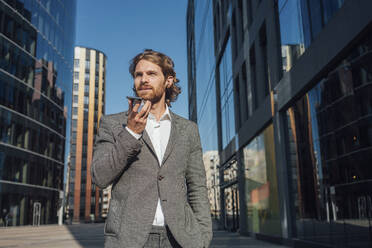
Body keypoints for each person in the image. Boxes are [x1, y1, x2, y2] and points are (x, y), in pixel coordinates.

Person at [92, 49, 212, 248]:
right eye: (138, 75)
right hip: (129, 239)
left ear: (168, 80)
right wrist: (131, 133)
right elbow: (100, 177)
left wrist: (203, 236)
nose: (143, 79)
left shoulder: (188, 130)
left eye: (151, 74)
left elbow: (197, 186)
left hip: (181, 238)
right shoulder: (112, 124)